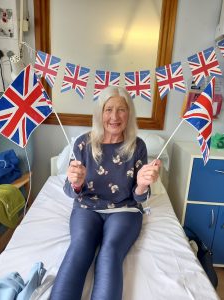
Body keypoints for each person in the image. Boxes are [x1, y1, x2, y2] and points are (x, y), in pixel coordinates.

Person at [50, 86, 161, 300]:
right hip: (86, 208)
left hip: (124, 210)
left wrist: (141, 185)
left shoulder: (138, 146)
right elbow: (69, 190)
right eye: (108, 109)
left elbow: (141, 197)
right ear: (99, 113)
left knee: (110, 253)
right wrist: (75, 183)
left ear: (129, 114)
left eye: (121, 110)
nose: (114, 116)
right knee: (79, 248)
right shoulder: (83, 143)